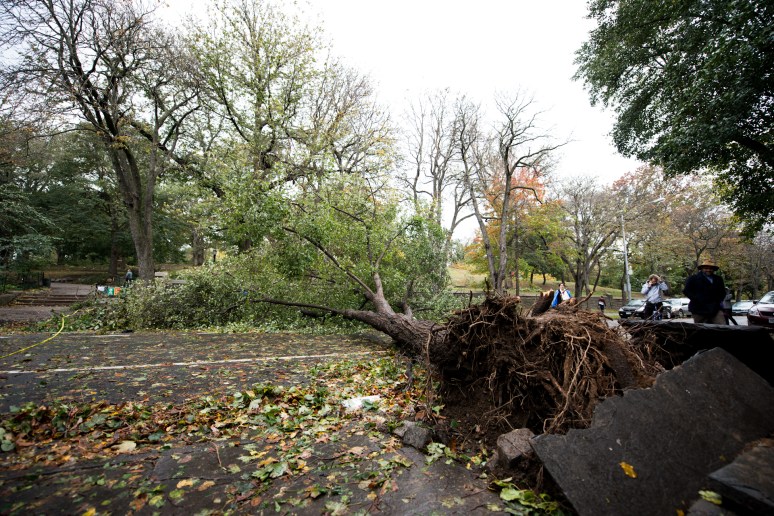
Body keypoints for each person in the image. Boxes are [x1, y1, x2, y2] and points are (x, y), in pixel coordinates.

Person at [683, 259, 727, 324]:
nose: (708, 270)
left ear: (713, 269)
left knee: (722, 326)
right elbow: (686, 291)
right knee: (701, 330)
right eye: (706, 268)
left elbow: (722, 292)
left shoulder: (718, 279)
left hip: (715, 309)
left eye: (710, 268)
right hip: (699, 309)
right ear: (702, 269)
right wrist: (697, 299)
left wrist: (718, 302)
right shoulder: (693, 278)